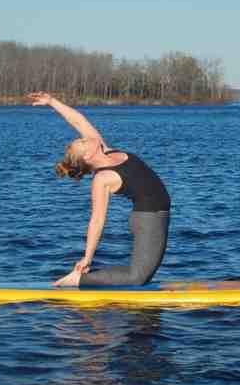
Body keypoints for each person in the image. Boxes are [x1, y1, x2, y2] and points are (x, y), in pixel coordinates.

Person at [27, 92, 171, 287]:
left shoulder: (106, 150)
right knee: (138, 277)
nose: (86, 137)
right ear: (87, 156)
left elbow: (78, 121)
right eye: (84, 142)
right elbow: (97, 220)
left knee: (142, 275)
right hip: (149, 219)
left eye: (84, 139)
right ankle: (80, 279)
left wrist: (52, 102)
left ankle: (93, 280)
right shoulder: (102, 179)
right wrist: (88, 257)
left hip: (157, 215)